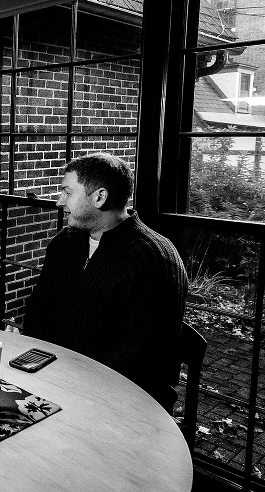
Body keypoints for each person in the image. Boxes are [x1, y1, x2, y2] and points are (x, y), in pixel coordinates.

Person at [22, 153, 187, 412]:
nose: (59, 202)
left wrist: (71, 385)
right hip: (55, 379)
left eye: (67, 192)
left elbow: (139, 354)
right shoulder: (65, 242)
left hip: (123, 400)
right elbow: (39, 307)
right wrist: (36, 360)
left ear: (99, 197)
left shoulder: (155, 258)